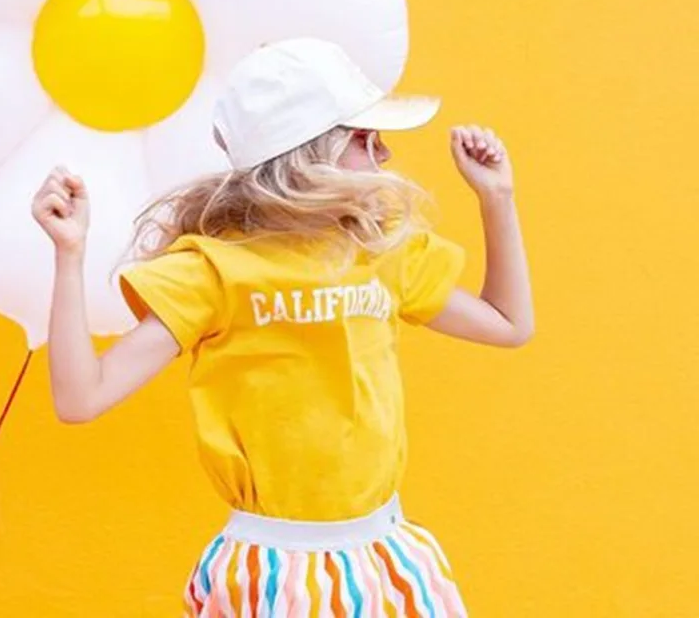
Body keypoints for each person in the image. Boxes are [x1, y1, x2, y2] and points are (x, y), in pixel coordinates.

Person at [32, 37, 534, 617]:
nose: (385, 153)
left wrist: (497, 198)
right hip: (275, 570)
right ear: (310, 151)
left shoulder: (381, 251)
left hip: (386, 555)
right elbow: (81, 398)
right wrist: (69, 255)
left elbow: (508, 324)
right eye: (365, 138)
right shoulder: (214, 271)